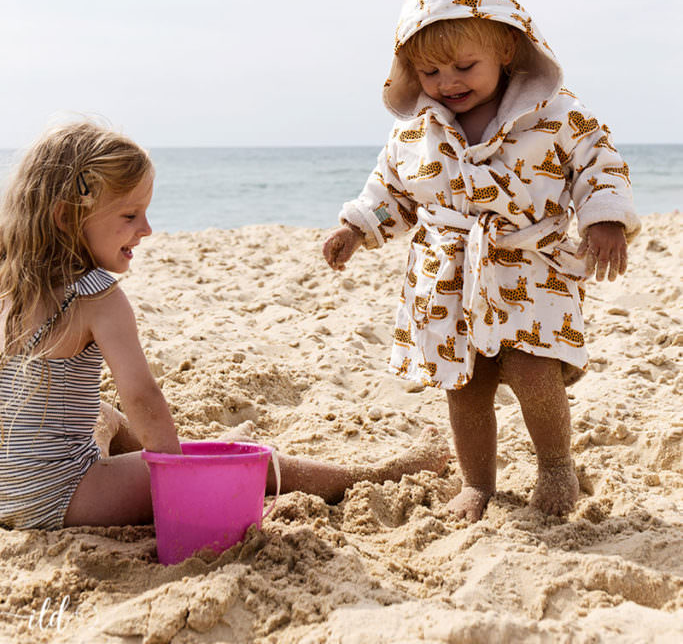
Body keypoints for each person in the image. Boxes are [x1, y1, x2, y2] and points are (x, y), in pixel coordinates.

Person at [0, 121, 449, 532]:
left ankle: (187, 453)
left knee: (102, 414)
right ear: (66, 218)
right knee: (254, 463)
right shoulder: (99, 299)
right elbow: (143, 398)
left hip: (8, 489)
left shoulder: (10, 279)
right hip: (60, 496)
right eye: (129, 216)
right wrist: (183, 482)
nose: (148, 229)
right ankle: (370, 475)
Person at [323, 0, 640, 522]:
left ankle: (555, 467)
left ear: (506, 47)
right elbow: (390, 188)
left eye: (463, 67)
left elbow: (598, 160)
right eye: (430, 72)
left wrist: (606, 218)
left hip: (528, 266)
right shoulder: (417, 132)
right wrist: (356, 225)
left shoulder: (554, 113)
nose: (447, 83)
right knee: (464, 385)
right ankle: (478, 484)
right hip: (446, 279)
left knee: (532, 366)